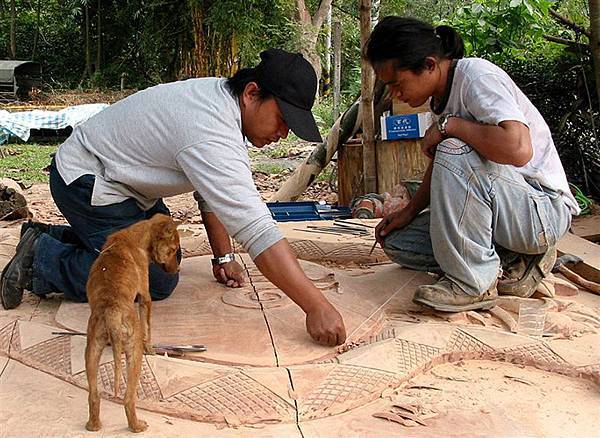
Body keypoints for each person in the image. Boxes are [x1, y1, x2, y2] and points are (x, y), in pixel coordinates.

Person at [0, 48, 347, 346]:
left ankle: (48, 237)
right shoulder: (209, 130)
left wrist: (223, 257)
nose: (283, 134)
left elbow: (213, 193)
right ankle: (42, 262)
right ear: (252, 94)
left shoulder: (222, 105)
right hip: (89, 182)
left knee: (166, 255)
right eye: (283, 120)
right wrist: (316, 305)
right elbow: (257, 229)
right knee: (158, 278)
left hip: (122, 185)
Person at [365, 17, 578, 312]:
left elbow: (518, 148)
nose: (395, 95)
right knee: (399, 241)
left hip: (541, 213)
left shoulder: (477, 77)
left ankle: (473, 284)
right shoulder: (441, 95)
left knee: (454, 146)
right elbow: (449, 166)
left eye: (397, 84)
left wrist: (449, 126)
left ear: (429, 65)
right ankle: (512, 260)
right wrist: (409, 211)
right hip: (506, 212)